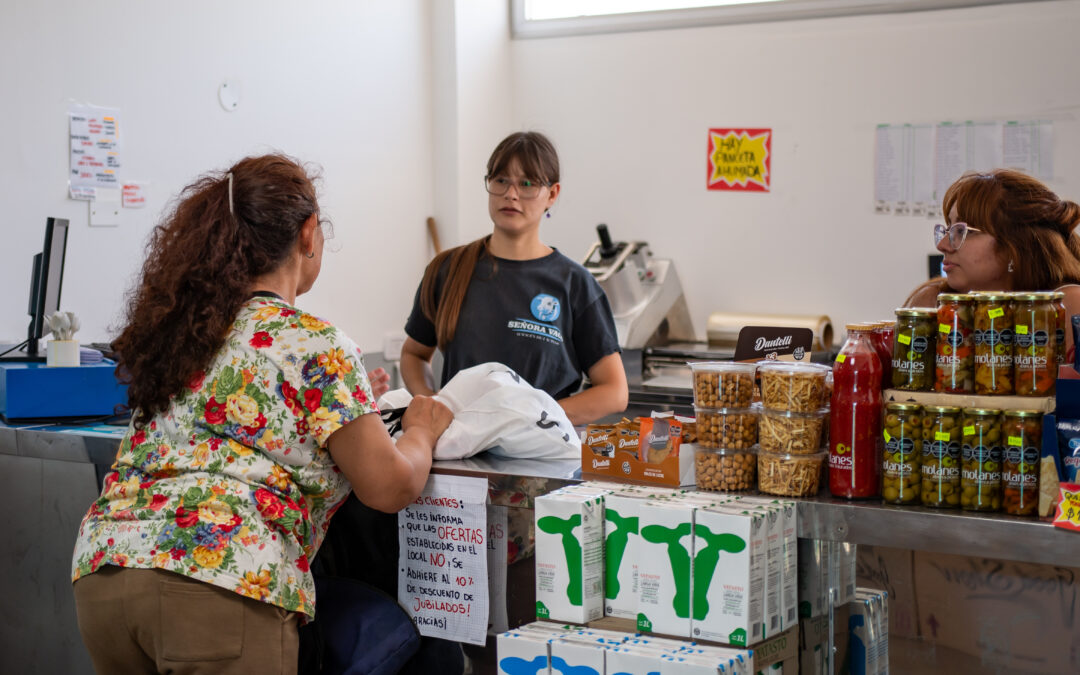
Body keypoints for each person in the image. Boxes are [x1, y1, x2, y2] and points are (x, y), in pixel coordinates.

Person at [70, 153, 452, 674]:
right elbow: (388, 486)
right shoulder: (315, 343)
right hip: (218, 579)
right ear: (309, 233)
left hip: (106, 573)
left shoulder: (181, 333)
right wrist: (420, 432)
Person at [400, 131, 629, 426]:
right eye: (501, 181)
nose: (511, 194)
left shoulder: (575, 285)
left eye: (527, 183)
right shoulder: (447, 270)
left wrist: (533, 418)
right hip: (459, 457)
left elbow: (614, 391)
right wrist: (430, 403)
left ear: (553, 194)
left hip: (544, 460)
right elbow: (413, 355)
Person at [904, 168, 1080, 359]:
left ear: (1016, 247)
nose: (942, 245)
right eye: (947, 230)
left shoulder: (1066, 306)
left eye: (965, 232)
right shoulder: (933, 302)